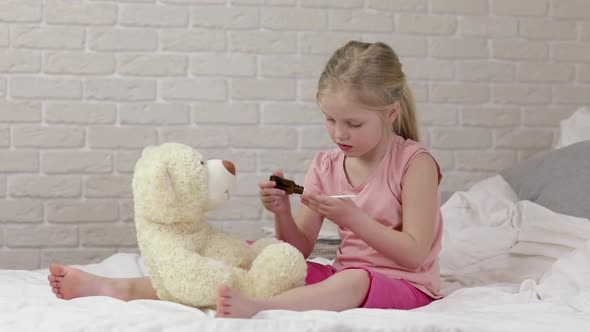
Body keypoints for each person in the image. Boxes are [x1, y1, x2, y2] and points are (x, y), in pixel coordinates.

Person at [48, 40, 443, 319]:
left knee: (355, 278)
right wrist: (282, 213)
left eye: (353, 123)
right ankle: (121, 288)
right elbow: (299, 249)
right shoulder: (326, 164)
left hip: (403, 284)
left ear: (391, 114)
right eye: (329, 119)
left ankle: (260, 308)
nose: (339, 133)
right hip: (341, 275)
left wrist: (354, 219)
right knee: (257, 257)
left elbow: (413, 254)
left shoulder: (414, 163)